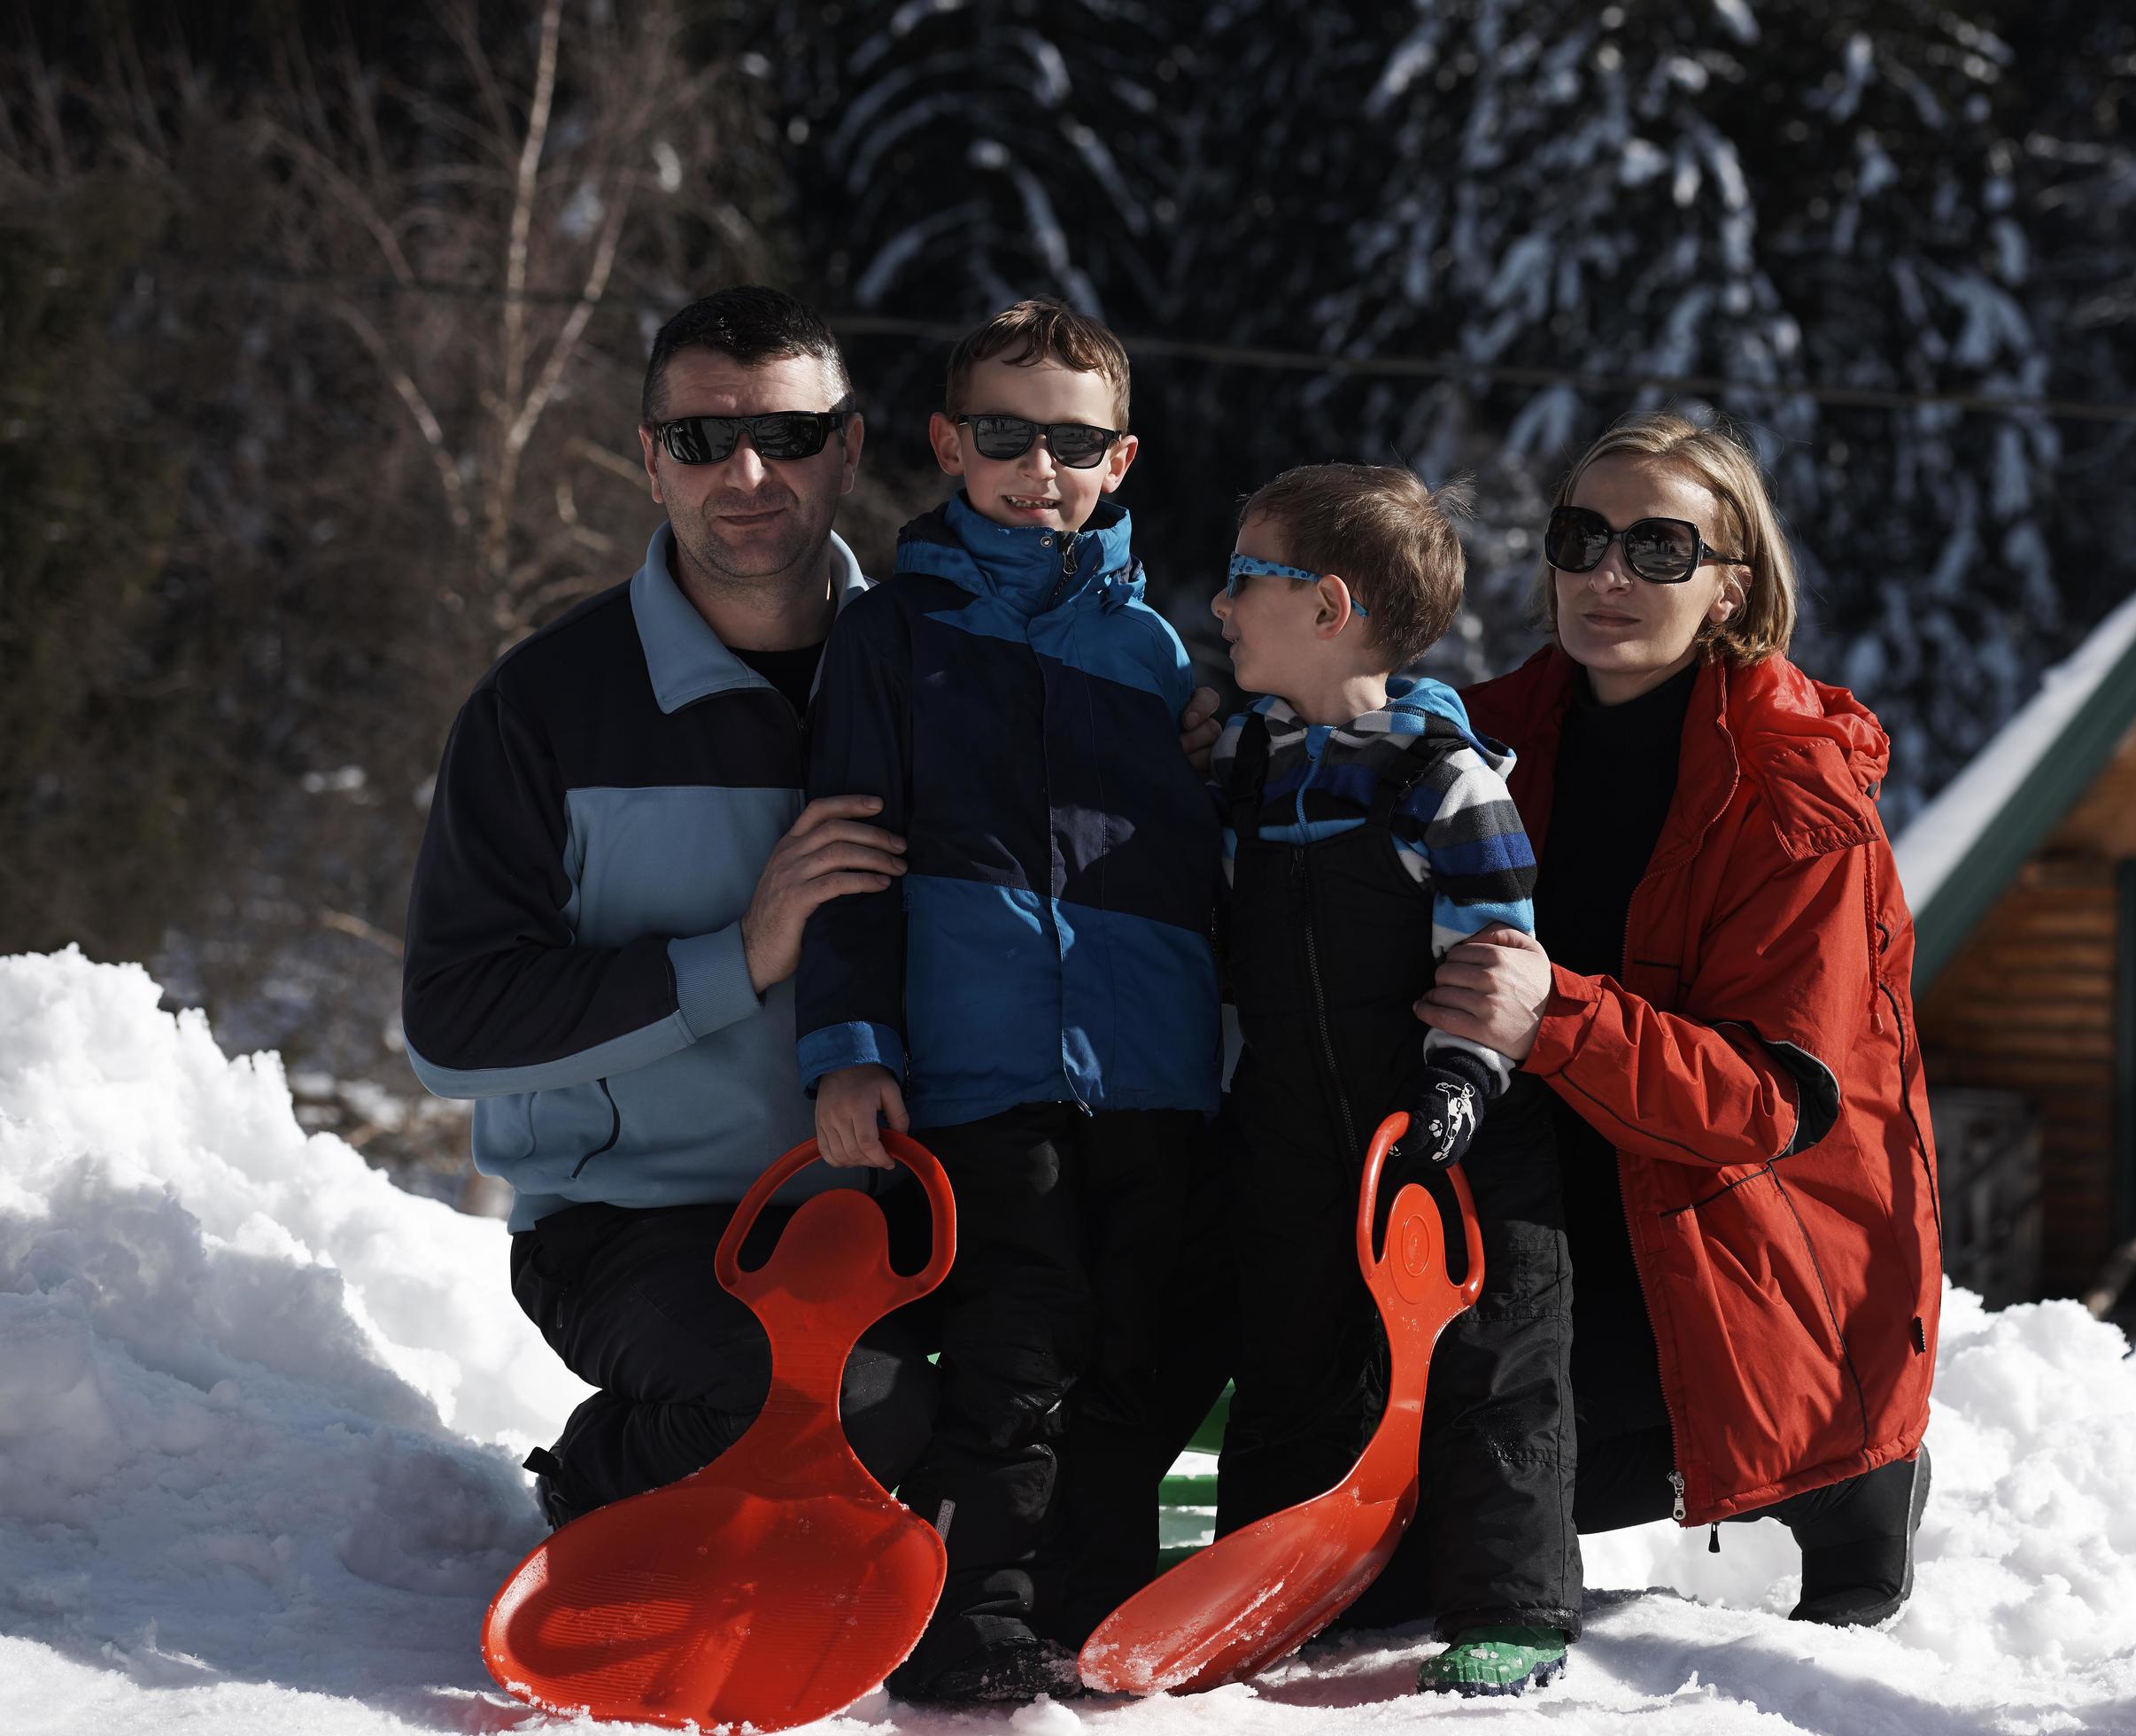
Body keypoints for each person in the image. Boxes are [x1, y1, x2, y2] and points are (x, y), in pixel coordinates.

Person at [400, 284, 1226, 1534]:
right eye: (699, 438)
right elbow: (454, 1025)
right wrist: (738, 956)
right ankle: (605, 1473)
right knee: (848, 1414)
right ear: (649, 458)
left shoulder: (949, 647)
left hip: (912, 1193)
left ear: (848, 444)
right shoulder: (548, 707)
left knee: (1104, 1336)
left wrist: (1180, 764)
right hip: (646, 1225)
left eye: (787, 434)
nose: (746, 471)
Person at [1429, 411, 1941, 1627]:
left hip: (1750, 1250)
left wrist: (1553, 1011)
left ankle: (1854, 1472)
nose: (1609, 575)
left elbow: (1762, 1105)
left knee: (1488, 1511)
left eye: (1660, 550)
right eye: (1581, 537)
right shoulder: (1470, 743)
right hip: (1540, 1224)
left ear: (1730, 590)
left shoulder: (1797, 804)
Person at [795, 299, 1222, 1702]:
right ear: (947, 442)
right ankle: (972, 1614)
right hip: (983, 1068)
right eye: (1004, 434)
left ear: (1123, 459)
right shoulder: (892, 633)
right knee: (1014, 1343)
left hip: (1153, 1065)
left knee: (1141, 1339)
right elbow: (848, 857)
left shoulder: (1163, 657)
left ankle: (1091, 1596)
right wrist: (851, 1048)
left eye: (1072, 442)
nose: (1038, 466)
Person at [1205, 465, 1580, 1697]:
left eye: (1241, 581)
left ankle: (1512, 1603)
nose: (1218, 608)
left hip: (1447, 1123)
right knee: (1290, 1351)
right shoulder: (1255, 770)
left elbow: (1491, 955)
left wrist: (1461, 1086)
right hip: (1297, 1120)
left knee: (1488, 1359)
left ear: (1325, 607)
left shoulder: (1445, 782)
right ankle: (1272, 1592)